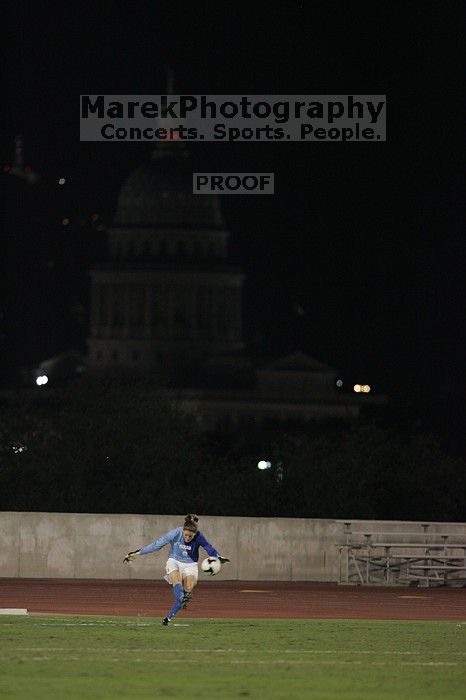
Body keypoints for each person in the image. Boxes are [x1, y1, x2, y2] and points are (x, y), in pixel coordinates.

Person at [124, 513, 229, 626]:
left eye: (190, 536)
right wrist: (138, 553)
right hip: (174, 561)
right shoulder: (175, 533)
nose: (187, 538)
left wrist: (217, 557)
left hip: (191, 565)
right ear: (183, 531)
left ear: (195, 534)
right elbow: (156, 545)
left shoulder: (199, 536)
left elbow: (208, 547)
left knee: (187, 590)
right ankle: (175, 608)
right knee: (179, 589)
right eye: (186, 535)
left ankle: (168, 618)